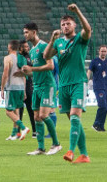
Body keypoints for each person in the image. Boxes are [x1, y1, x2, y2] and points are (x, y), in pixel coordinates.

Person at [44, 5, 91, 163]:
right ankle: (84, 155)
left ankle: (71, 151)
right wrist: (52, 39)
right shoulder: (58, 43)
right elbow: (46, 55)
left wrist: (77, 11)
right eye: (63, 24)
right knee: (74, 120)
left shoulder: (79, 39)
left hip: (78, 82)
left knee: (75, 117)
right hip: (63, 86)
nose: (65, 26)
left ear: (74, 25)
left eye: (68, 23)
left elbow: (88, 29)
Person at [22, 22, 62, 155]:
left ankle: (56, 144)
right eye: (24, 32)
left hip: (47, 85)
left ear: (34, 32)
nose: (25, 35)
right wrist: (27, 72)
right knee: (37, 117)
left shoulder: (44, 46)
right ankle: (40, 148)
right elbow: (36, 71)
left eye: (27, 32)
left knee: (44, 115)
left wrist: (32, 68)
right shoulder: (32, 51)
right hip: (36, 86)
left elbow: (50, 66)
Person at [0, 40, 30, 141]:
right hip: (21, 87)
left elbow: (5, 73)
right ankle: (15, 133)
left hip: (12, 87)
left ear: (9, 47)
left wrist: (2, 88)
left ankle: (23, 127)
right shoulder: (21, 58)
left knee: (8, 111)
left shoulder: (8, 58)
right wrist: (24, 90)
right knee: (16, 109)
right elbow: (25, 76)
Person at [87, 45, 107, 132]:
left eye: (105, 51)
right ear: (98, 51)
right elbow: (89, 73)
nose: (103, 53)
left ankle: (101, 126)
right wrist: (86, 82)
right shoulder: (94, 61)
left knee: (106, 106)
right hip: (98, 87)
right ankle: (96, 124)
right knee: (102, 106)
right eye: (102, 51)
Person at [18, 40, 37, 138]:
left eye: (27, 46)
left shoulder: (30, 57)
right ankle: (18, 132)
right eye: (25, 47)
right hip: (20, 86)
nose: (28, 48)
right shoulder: (18, 58)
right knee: (19, 109)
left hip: (29, 86)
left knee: (31, 109)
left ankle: (35, 131)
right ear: (20, 48)